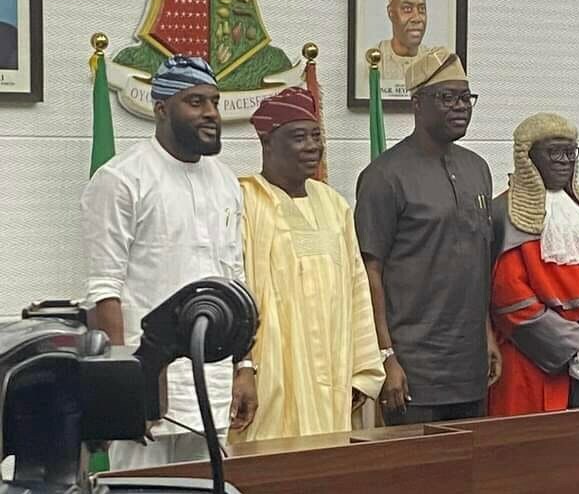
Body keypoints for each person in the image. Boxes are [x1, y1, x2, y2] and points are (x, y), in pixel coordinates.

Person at [81, 55, 256, 468]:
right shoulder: (121, 179)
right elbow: (104, 290)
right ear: (161, 110)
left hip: (211, 386)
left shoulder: (226, 181)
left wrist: (245, 366)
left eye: (214, 101)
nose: (211, 113)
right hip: (149, 387)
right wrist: (126, 391)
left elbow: (235, 280)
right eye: (195, 102)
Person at [227, 87, 385, 442]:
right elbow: (236, 289)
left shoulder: (333, 204)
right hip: (272, 373)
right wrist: (244, 366)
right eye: (299, 137)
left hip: (333, 372)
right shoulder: (244, 201)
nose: (313, 146)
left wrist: (362, 370)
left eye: (317, 136)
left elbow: (357, 288)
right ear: (267, 143)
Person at [355, 47, 502, 425]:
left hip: (470, 368)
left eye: (466, 97)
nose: (461, 107)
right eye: (447, 97)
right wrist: (386, 357)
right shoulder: (384, 176)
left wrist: (487, 336)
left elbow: (478, 263)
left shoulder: (478, 169)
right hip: (413, 371)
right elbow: (369, 273)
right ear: (417, 103)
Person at [488, 112, 579, 417]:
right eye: (554, 152)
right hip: (539, 355)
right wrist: (574, 344)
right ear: (528, 157)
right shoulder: (505, 213)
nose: (565, 160)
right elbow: (509, 295)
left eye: (571, 152)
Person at [377, 0, 429, 83]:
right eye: (407, 9)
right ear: (391, 13)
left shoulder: (433, 61)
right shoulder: (375, 59)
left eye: (422, 9)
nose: (417, 18)